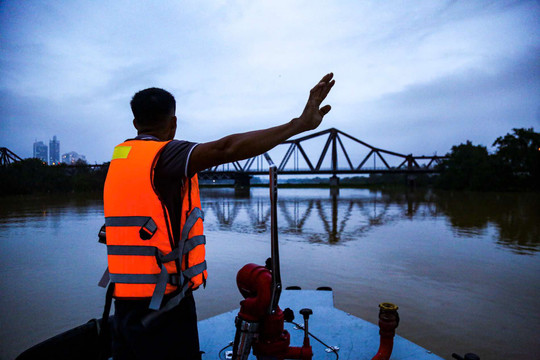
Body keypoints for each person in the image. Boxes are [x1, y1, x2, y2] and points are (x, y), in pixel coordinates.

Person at [101, 73, 335, 360]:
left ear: (135, 123)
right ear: (174, 124)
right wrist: (298, 125)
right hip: (165, 306)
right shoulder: (167, 157)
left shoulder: (120, 160)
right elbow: (228, 148)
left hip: (123, 302)